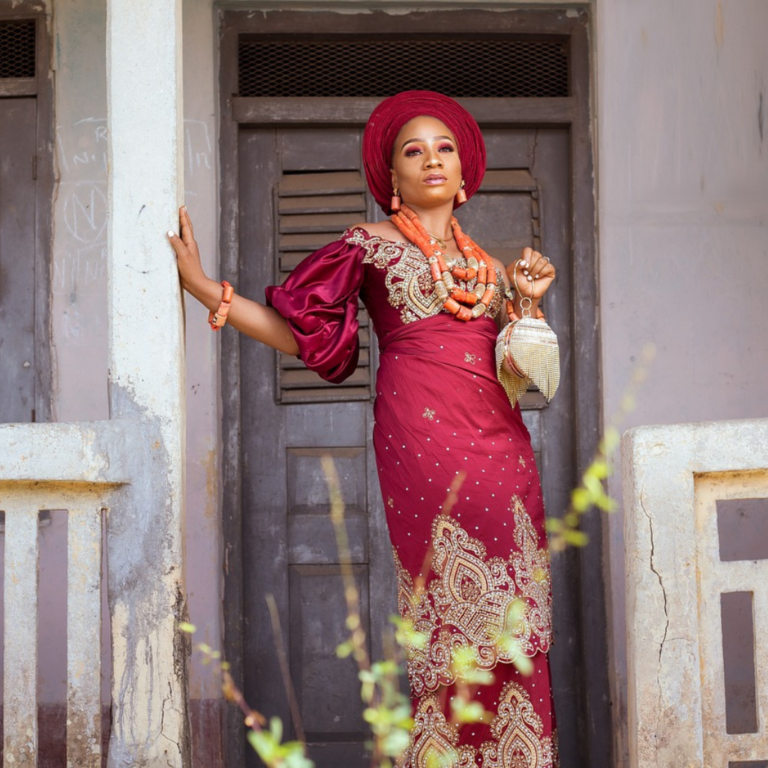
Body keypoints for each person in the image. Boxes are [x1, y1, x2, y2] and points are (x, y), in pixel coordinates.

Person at [169, 90, 558, 768]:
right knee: (448, 608)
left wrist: (526, 306)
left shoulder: (491, 270)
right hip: (422, 438)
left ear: (465, 176)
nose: (430, 158)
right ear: (392, 180)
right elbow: (300, 332)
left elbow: (519, 377)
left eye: (444, 149)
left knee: (514, 618)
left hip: (503, 447)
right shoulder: (366, 246)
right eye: (413, 151)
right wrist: (211, 293)